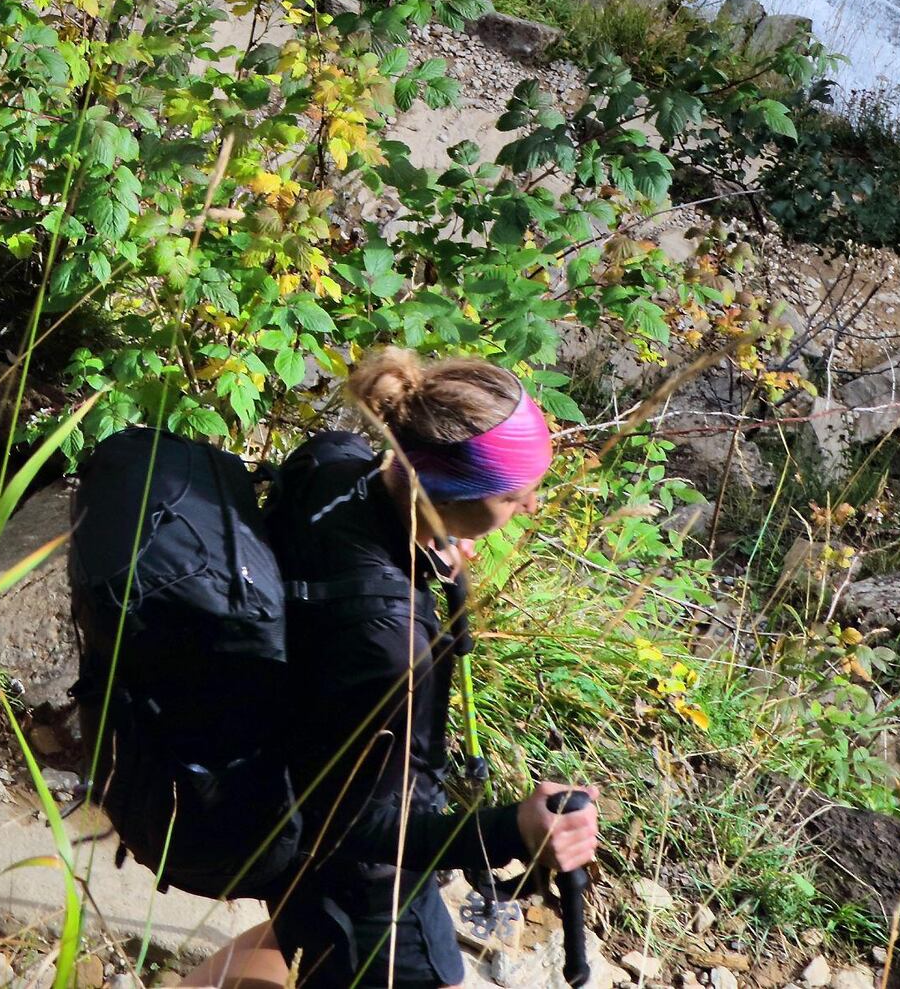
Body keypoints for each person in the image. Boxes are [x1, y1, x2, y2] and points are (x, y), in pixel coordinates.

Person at [174, 350, 606, 989]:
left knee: (304, 931)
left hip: (277, 770)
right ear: (449, 494)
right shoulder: (391, 643)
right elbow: (359, 827)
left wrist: (427, 547)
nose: (533, 506)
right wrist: (512, 828)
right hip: (351, 869)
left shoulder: (333, 462)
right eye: (515, 495)